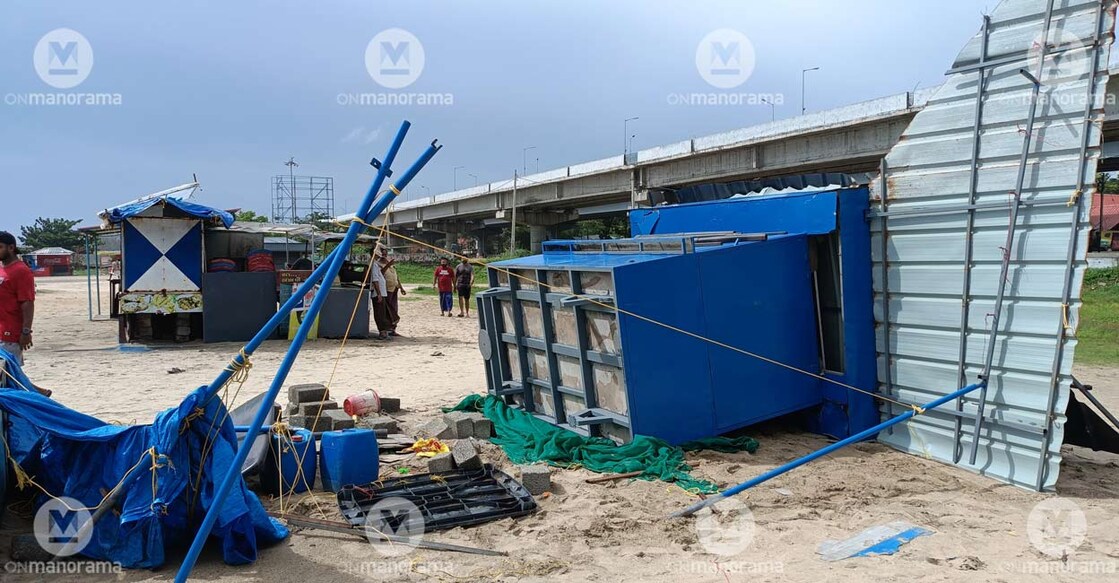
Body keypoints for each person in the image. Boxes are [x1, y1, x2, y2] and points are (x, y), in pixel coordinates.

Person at [0, 232, 50, 396]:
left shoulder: (21, 271)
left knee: (10, 376)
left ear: (11, 247)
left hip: (11, 333)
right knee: (10, 376)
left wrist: (26, 331)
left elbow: (27, 303)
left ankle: (37, 396)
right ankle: (38, 392)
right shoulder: (2, 269)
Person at [377, 246, 405, 336]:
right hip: (386, 289)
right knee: (388, 310)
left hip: (394, 288)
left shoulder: (390, 264)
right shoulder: (378, 264)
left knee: (394, 308)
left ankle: (393, 329)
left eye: (385, 254)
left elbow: (396, 276)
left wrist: (401, 287)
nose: (384, 255)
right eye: (383, 254)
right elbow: (380, 274)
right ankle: (387, 328)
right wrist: (388, 265)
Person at [367, 256, 392, 340]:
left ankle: (384, 331)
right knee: (379, 313)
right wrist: (379, 294)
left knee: (383, 312)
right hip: (378, 293)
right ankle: (382, 332)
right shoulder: (373, 264)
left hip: (382, 292)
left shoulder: (376, 264)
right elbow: (375, 280)